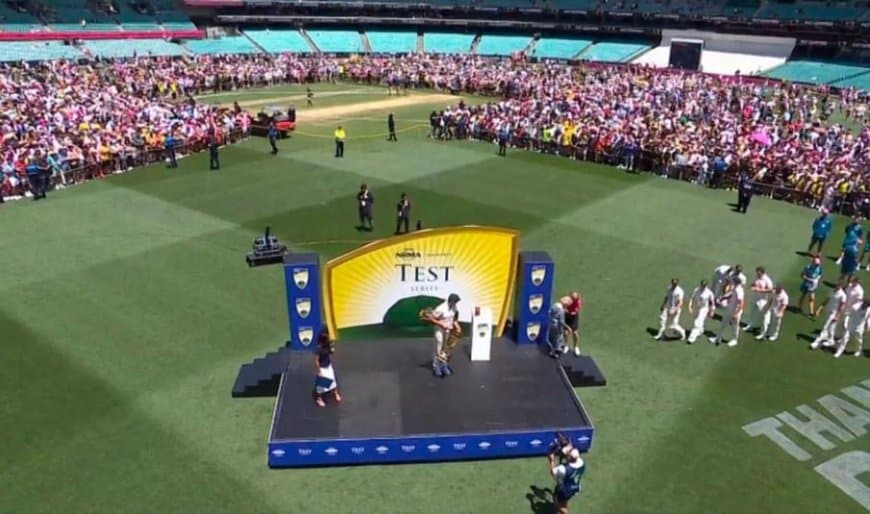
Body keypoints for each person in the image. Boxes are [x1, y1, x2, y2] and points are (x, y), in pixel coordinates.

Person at [421, 293, 461, 376]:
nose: (456, 304)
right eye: (455, 302)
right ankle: (436, 367)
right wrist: (441, 324)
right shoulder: (441, 308)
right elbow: (431, 319)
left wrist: (456, 325)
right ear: (450, 301)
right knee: (438, 347)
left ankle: (443, 365)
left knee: (445, 349)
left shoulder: (454, 307)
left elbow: (454, 318)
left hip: (447, 330)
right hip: (439, 330)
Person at [710, 275, 745, 347]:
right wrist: (723, 299)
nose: (732, 282)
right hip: (730, 308)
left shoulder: (739, 290)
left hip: (735, 311)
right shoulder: (734, 288)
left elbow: (741, 303)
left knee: (735, 326)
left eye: (733, 281)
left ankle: (735, 339)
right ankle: (718, 338)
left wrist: (736, 313)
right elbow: (731, 295)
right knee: (723, 322)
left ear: (736, 282)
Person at [810, 281, 847, 350]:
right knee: (831, 327)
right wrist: (820, 308)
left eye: (838, 286)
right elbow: (827, 300)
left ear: (841, 287)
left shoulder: (843, 295)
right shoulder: (832, 290)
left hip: (834, 313)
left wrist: (837, 316)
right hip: (828, 310)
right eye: (836, 285)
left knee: (825, 326)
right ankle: (831, 340)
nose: (836, 287)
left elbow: (842, 306)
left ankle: (816, 342)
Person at [548, 447, 585, 514]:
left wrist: (551, 460)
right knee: (564, 501)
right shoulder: (581, 462)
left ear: (570, 457)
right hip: (575, 487)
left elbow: (553, 473)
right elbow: (571, 459)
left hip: (565, 490)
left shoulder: (563, 468)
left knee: (556, 502)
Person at [313, 331, 342, 407]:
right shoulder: (318, 348)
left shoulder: (328, 345)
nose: (329, 339)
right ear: (323, 339)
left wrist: (332, 350)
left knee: (333, 381)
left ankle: (336, 394)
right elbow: (316, 360)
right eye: (327, 338)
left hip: (329, 366)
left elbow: (330, 353)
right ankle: (319, 399)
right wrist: (319, 371)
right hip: (323, 368)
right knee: (321, 386)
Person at [746, 266, 774, 335]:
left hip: (762, 300)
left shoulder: (767, 280)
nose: (757, 275)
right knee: (752, 312)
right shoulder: (757, 277)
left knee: (765, 314)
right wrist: (750, 286)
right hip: (755, 298)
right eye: (757, 273)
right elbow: (754, 283)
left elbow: (771, 290)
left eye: (759, 273)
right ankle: (751, 325)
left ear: (763, 273)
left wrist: (760, 290)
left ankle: (764, 331)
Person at [564, 291, 583, 355]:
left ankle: (576, 347)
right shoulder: (567, 300)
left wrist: (574, 312)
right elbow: (563, 306)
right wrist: (565, 309)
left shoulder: (578, 301)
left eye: (575, 298)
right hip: (567, 316)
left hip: (574, 317)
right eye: (572, 298)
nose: (573, 299)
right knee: (566, 332)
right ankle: (566, 346)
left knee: (575, 333)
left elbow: (577, 310)